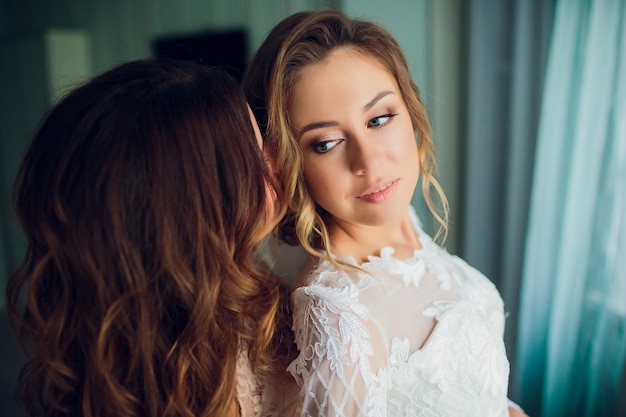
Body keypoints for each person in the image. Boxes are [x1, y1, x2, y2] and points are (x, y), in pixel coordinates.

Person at [243, 10, 529, 417]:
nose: (369, 162)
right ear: (288, 163)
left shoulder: (404, 222)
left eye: (379, 119)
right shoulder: (336, 313)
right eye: (325, 143)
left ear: (409, 108)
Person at [6, 58, 299, 417]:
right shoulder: (158, 385)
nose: (282, 157)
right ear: (195, 212)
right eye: (255, 157)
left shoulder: (277, 286)